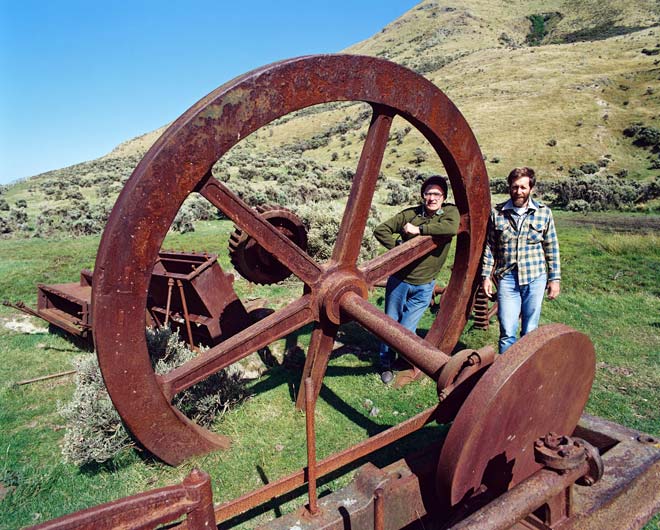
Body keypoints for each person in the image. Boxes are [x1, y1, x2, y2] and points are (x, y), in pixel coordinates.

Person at [373, 175, 459, 384]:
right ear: (423, 195)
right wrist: (399, 251)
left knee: (407, 328)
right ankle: (385, 363)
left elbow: (451, 228)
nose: (432, 198)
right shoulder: (410, 214)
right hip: (400, 281)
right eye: (428, 193)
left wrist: (419, 230)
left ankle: (404, 359)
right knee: (390, 324)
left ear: (444, 197)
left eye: (436, 194)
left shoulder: (450, 212)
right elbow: (380, 230)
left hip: (425, 285)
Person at [481, 167, 561, 354]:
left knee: (529, 330)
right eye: (515, 187)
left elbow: (552, 247)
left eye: (523, 187)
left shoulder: (544, 213)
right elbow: (490, 247)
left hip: (535, 278)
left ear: (531, 189)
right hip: (507, 278)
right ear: (509, 187)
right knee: (507, 331)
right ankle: (504, 376)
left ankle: (526, 373)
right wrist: (486, 276)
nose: (519, 191)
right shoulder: (497, 213)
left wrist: (554, 279)